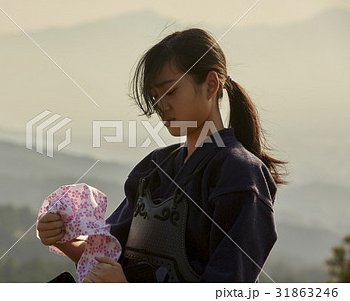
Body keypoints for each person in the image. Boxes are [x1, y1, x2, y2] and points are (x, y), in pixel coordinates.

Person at [37, 28, 288, 282]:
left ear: (211, 85)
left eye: (171, 92)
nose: (161, 106)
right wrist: (64, 237)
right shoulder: (155, 168)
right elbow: (108, 257)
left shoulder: (241, 174)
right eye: (156, 96)